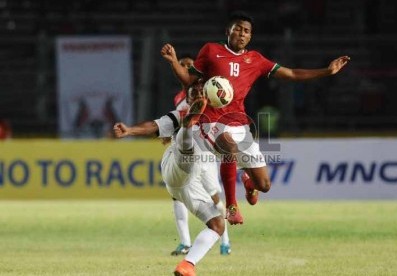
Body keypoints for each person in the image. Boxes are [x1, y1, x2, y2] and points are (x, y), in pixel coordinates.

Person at [161, 11, 351, 225]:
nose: (242, 33)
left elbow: (291, 74)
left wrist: (326, 71)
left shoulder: (256, 60)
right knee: (228, 145)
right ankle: (232, 206)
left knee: (265, 185)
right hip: (211, 121)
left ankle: (249, 182)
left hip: (239, 123)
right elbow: (188, 80)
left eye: (247, 31)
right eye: (238, 29)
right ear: (228, 31)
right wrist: (173, 62)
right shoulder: (211, 50)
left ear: (250, 37)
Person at [114, 80, 225, 275]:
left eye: (202, 93)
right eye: (194, 95)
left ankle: (187, 265)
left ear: (209, 96)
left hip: (187, 183)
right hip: (176, 165)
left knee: (217, 225)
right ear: (188, 100)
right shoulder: (179, 114)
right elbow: (154, 126)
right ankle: (188, 128)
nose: (198, 96)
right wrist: (130, 130)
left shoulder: (218, 121)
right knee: (185, 138)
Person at [169, 55, 231, 256]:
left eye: (189, 66)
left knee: (214, 198)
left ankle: (225, 241)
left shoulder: (209, 93)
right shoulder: (181, 99)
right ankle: (185, 242)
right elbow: (177, 122)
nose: (186, 69)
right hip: (186, 155)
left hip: (205, 157)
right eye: (183, 66)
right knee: (177, 196)